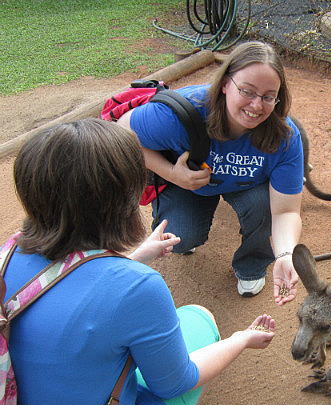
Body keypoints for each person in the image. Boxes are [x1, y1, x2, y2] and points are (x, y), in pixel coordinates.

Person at [4, 118, 276, 405]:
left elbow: (65, 293)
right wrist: (240, 339)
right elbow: (176, 382)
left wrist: (131, 258)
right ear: (122, 198)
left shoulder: (7, 255)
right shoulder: (135, 287)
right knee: (197, 320)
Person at [117, 40, 303, 305]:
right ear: (226, 84)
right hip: (188, 180)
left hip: (247, 185)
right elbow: (122, 132)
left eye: (268, 96)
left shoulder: (284, 136)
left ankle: (252, 265)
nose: (257, 105)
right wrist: (171, 173)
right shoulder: (183, 113)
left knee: (264, 206)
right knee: (180, 240)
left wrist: (285, 254)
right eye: (247, 91)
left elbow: (286, 211)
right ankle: (189, 217)